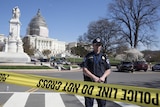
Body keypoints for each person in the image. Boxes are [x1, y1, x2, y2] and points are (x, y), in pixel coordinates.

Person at [82, 37, 111, 107]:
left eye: (99, 45)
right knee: (89, 104)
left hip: (101, 84)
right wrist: (94, 77)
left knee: (102, 104)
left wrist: (103, 77)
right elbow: (84, 69)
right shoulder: (88, 56)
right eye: (96, 45)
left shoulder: (104, 57)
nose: (98, 47)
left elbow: (108, 69)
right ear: (93, 45)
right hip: (89, 84)